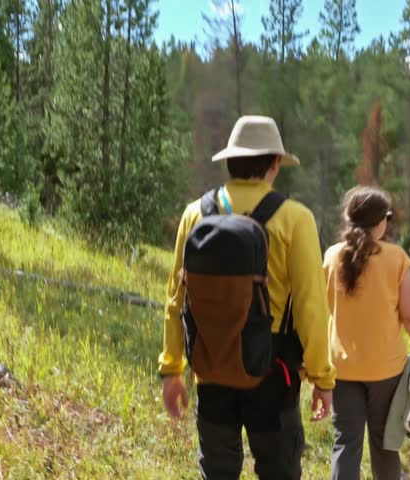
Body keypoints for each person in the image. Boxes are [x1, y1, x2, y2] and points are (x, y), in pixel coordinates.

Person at [158, 116, 336, 479]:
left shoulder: (195, 213)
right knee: (278, 471)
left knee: (218, 471)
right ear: (274, 164)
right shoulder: (295, 218)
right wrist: (322, 378)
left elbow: (177, 300)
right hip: (273, 372)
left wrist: (172, 369)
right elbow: (310, 307)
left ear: (230, 161)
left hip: (211, 365)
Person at [323, 186, 410, 480]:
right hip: (387, 369)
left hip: (342, 368)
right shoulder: (396, 258)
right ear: (381, 221)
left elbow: (324, 310)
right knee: (385, 446)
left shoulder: (332, 256)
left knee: (345, 443)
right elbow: (409, 315)